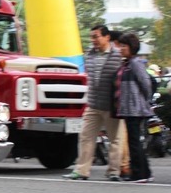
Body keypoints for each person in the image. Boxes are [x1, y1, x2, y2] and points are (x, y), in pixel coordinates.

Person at [63, 25, 123, 181]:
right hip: (93, 104)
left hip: (111, 105)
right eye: (92, 37)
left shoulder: (118, 55)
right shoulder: (89, 54)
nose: (93, 40)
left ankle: (114, 171)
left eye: (96, 36)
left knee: (115, 139)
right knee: (85, 136)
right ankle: (82, 170)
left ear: (107, 37)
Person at [115, 33, 153, 183]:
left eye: (124, 46)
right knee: (135, 141)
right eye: (121, 45)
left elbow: (146, 84)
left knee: (134, 142)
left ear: (131, 48)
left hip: (135, 109)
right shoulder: (128, 64)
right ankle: (146, 172)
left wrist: (145, 101)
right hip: (130, 109)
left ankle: (138, 174)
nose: (121, 49)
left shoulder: (135, 64)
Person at [110, 30, 130, 179]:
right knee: (123, 136)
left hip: (123, 104)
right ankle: (124, 166)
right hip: (121, 104)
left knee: (121, 136)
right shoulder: (122, 60)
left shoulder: (121, 60)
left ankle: (124, 166)